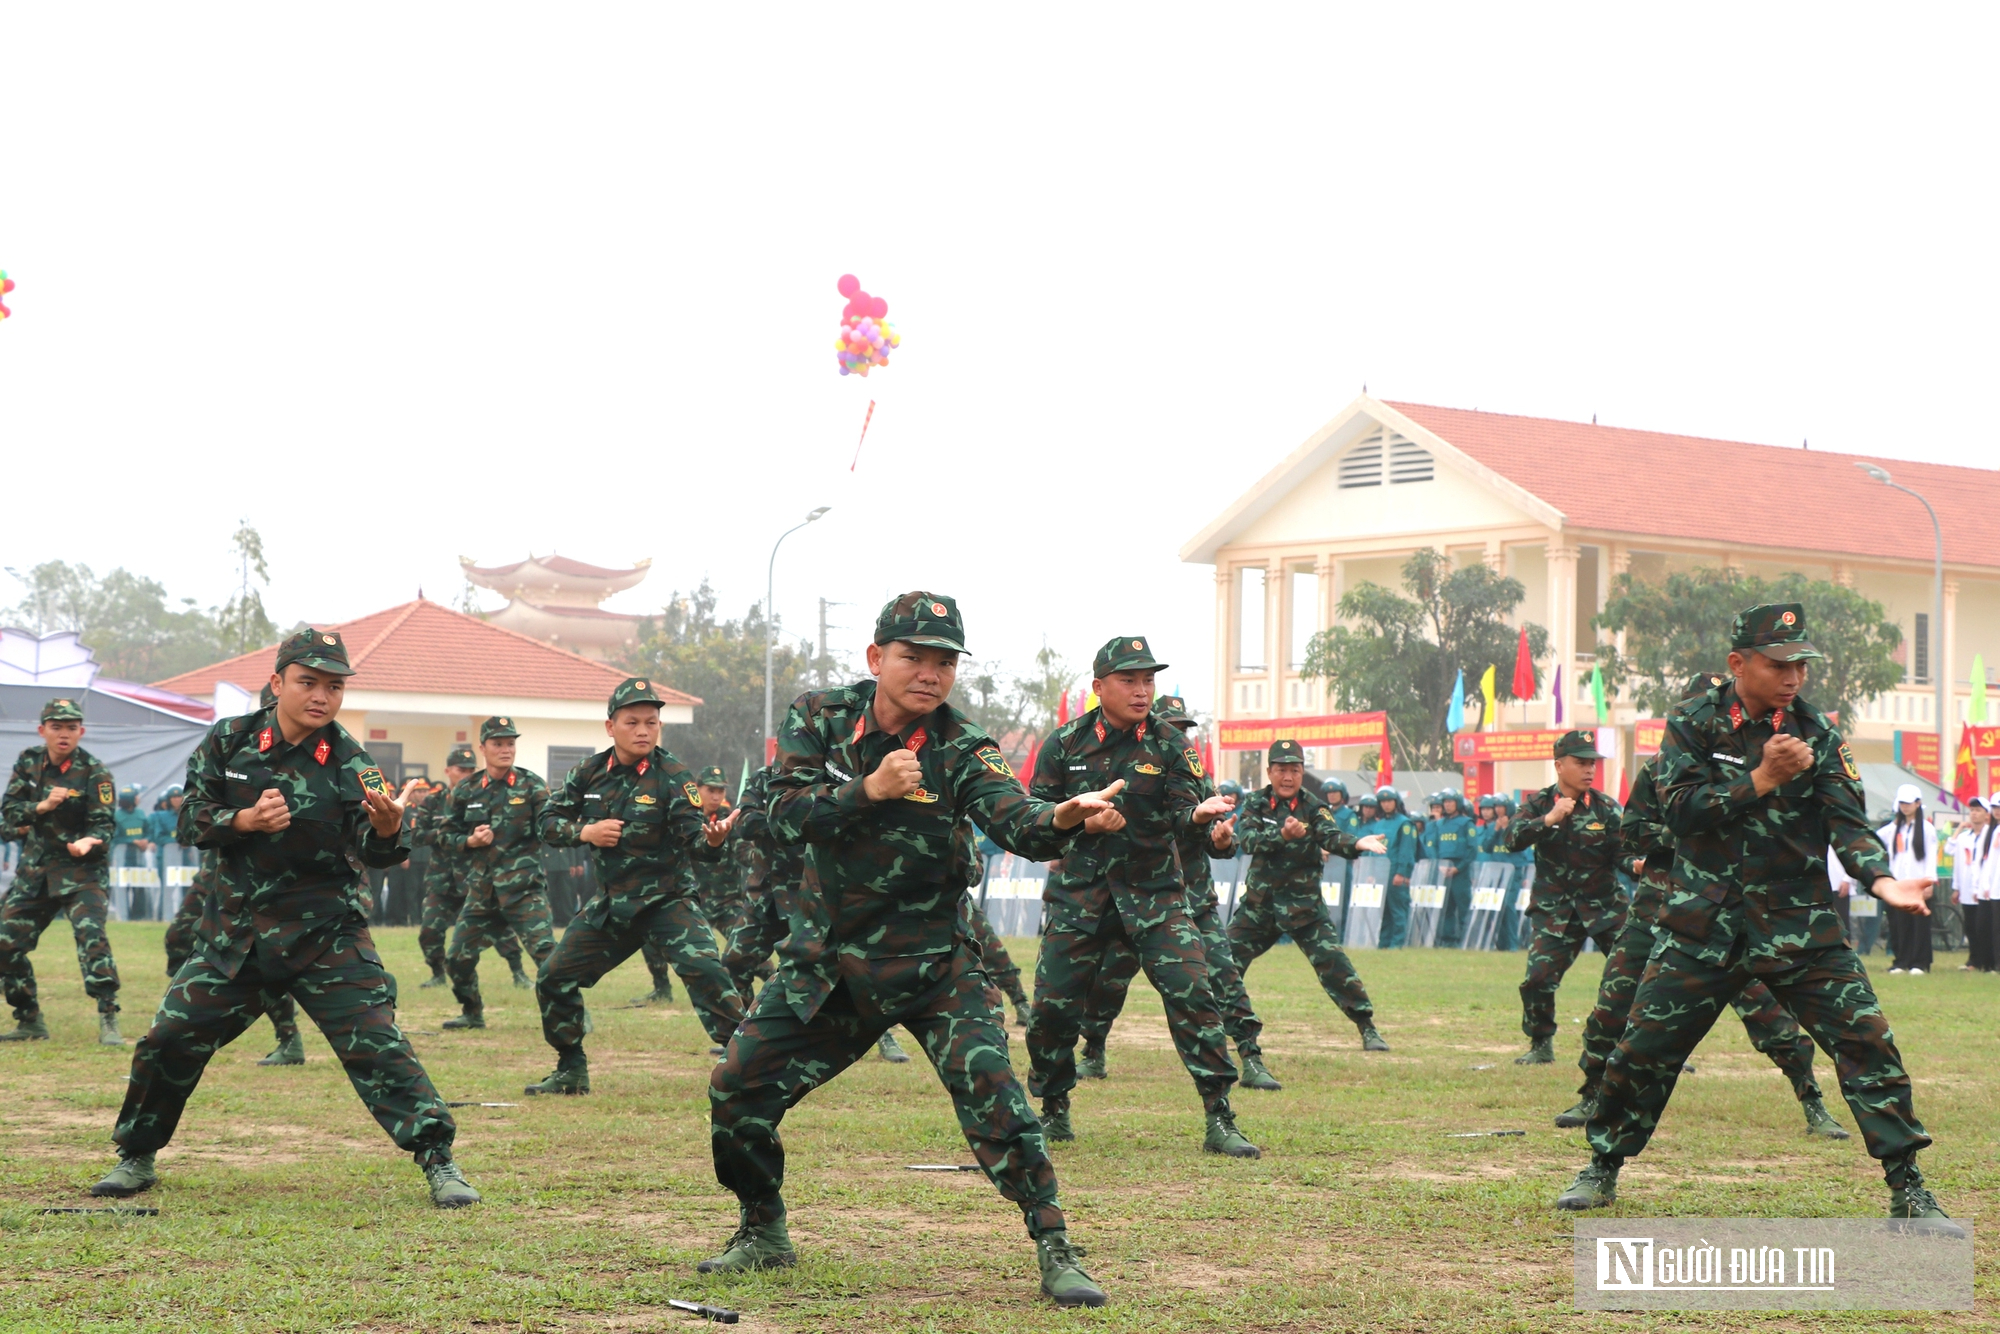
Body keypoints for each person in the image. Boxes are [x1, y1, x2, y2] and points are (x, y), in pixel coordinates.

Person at [704, 592, 1118, 1306]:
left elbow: (1011, 815)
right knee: (736, 1089)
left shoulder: (962, 744)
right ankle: (763, 1228)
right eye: (913, 657)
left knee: (998, 1098)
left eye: (944, 661)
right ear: (876, 658)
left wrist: (1062, 817)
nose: (929, 673)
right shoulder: (819, 717)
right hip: (829, 965)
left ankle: (1055, 1245)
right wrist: (866, 789)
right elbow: (779, 813)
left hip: (935, 965)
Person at [1557, 604, 1957, 1230]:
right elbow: (1682, 812)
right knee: (1642, 1051)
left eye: (1801, 663)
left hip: (1798, 926)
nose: (1793, 675)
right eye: (1779, 663)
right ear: (1739, 663)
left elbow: (1846, 823)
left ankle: (1909, 1188)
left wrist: (1881, 879)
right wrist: (1763, 777)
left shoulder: (1819, 735)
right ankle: (1603, 1166)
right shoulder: (1693, 723)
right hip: (1701, 925)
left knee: (1866, 1040)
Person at [92, 628, 478, 1207]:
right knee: (169, 1039)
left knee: (378, 1044)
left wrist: (389, 829)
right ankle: (137, 1155)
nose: (321, 695)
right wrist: (242, 821)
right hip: (237, 934)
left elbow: (376, 853)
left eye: (334, 685)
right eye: (308, 682)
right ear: (277, 683)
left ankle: (439, 1161)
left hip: (326, 933)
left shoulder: (352, 762)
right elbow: (190, 819)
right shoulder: (230, 740)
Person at [1025, 637, 1251, 1158]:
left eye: (1148, 680)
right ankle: (1053, 1106)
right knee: (1053, 1009)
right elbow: (1034, 822)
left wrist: (1198, 819)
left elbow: (1183, 812)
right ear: (1099, 687)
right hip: (1080, 896)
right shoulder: (1063, 744)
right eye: (1129, 680)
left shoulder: (1172, 744)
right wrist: (1082, 822)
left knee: (1193, 995)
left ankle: (1220, 1116)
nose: (1141, 690)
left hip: (1154, 895)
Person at [1561, 738, 1849, 1140]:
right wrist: (1688, 831)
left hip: (1727, 918)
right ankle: (1591, 1093)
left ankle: (1812, 1102)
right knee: (1611, 1009)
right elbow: (1633, 834)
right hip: (1655, 909)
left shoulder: (1755, 771)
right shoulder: (1659, 769)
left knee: (1768, 1016)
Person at [528, 680, 744, 1093]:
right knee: (554, 977)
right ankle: (571, 1070)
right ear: (611, 727)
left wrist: (712, 840)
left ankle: (753, 1070)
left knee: (708, 973)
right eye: (633, 722)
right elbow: (546, 823)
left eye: (652, 721)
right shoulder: (587, 773)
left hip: (667, 902)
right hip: (613, 905)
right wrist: (585, 831)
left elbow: (694, 839)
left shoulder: (674, 775)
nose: (644, 730)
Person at [1067, 696, 1270, 1087]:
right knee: (1109, 979)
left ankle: (1251, 1056)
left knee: (1224, 978)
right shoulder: (1132, 777)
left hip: (1193, 901)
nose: (1179, 736)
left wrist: (1224, 839)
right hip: (1141, 900)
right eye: (1171, 727)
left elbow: (1215, 844)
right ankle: (1092, 1049)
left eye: (1184, 730)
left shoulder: (1199, 781)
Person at [1228, 738, 1390, 1060]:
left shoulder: (1314, 807)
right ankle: (1211, 1026)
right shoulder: (1256, 804)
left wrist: (1356, 844)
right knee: (1222, 963)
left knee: (1336, 966)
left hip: (1305, 908)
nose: (1288, 777)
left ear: (1302, 773)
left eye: (1295, 770)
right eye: (1281, 770)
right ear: (1270, 772)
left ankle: (1367, 1026)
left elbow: (1330, 835)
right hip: (1260, 907)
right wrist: (1283, 835)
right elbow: (1247, 840)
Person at [0, 698, 123, 1045]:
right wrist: (42, 805)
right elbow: (8, 814)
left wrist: (89, 841)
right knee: (5, 942)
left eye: (71, 727)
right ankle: (29, 1020)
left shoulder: (95, 772)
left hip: (82, 871)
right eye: (56, 727)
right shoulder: (29, 762)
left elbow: (104, 824)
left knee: (91, 938)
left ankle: (108, 1015)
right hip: (37, 869)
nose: (64, 734)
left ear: (81, 731)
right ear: (43, 731)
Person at [1503, 732, 1624, 1064]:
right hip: (1555, 911)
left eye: (1592, 764)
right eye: (1581, 763)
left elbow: (1624, 852)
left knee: (1640, 975)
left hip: (1606, 908)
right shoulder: (1538, 804)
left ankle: (1653, 1047)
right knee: (1537, 980)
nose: (1589, 770)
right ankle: (1541, 1045)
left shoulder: (1607, 807)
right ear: (1559, 765)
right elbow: (1511, 839)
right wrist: (1548, 820)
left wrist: (1638, 863)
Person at [441, 717, 557, 1030]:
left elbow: (550, 827)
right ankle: (472, 1012)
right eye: (498, 743)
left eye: (510, 743)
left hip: (524, 889)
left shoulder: (532, 785)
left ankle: (570, 1016)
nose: (505, 749)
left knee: (549, 958)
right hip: (482, 891)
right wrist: (470, 840)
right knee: (457, 958)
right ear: (483, 748)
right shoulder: (466, 789)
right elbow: (444, 835)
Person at [416, 746, 528, 992]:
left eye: (470, 770)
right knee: (430, 929)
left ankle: (518, 972)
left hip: (475, 878)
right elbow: (416, 835)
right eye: (460, 770)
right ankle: (437, 973)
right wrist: (451, 835)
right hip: (441, 878)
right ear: (448, 771)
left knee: (500, 929)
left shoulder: (484, 798)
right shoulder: (433, 802)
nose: (466, 775)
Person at [719, 764, 787, 1002]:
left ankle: (883, 1035)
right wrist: (793, 816)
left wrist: (769, 815)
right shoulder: (764, 778)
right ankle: (745, 1035)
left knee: (835, 970)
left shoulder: (824, 773)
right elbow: (745, 821)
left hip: (812, 897)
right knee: (732, 964)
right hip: (764, 897)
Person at [1879, 785, 1937, 976]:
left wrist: (1929, 882)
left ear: (1918, 804)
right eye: (1902, 803)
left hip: (1918, 884)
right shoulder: (1894, 829)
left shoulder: (1927, 829)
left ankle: (1919, 962)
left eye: (1909, 803)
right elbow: (1876, 839)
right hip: (1898, 883)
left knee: (1919, 925)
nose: (1905, 807)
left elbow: (1931, 857)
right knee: (1898, 923)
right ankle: (1900, 960)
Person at [1371, 786, 1418, 947]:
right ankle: (1384, 944)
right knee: (1384, 912)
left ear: (1396, 802)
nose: (1386, 804)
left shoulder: (1405, 823)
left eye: (1389, 801)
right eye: (1383, 801)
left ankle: (1397, 944)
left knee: (1398, 911)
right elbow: (1373, 848)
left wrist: (1402, 873)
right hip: (1380, 874)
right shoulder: (1379, 824)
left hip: (1395, 874)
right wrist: (1371, 872)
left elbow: (1407, 851)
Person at [1429, 788, 1476, 947]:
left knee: (1464, 908)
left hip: (1460, 872)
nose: (1447, 805)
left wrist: (1458, 868)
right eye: (1445, 802)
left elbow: (1472, 849)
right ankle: (1448, 942)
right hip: (1443, 869)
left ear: (1458, 803)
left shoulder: (1466, 823)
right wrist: (1439, 865)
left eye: (1450, 802)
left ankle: (1467, 941)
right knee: (1446, 908)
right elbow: (1434, 846)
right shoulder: (1439, 824)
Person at [1948, 798, 1990, 972]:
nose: (1974, 813)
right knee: (1970, 926)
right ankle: (1974, 960)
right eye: (1972, 810)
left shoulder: (1992, 835)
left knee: (1985, 926)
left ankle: (1988, 960)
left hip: (1985, 889)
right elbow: (1957, 863)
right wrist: (1956, 887)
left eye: (1978, 810)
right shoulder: (1964, 838)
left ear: (1987, 814)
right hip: (1966, 888)